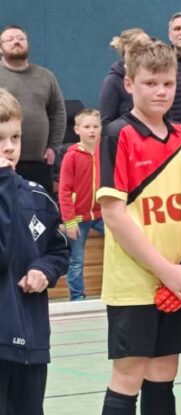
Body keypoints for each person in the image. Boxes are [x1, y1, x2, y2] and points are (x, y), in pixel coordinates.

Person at [97, 39, 181, 415]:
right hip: (135, 283)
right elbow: (114, 213)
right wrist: (165, 270)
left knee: (164, 377)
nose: (160, 91)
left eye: (167, 83)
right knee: (128, 376)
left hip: (179, 280)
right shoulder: (116, 134)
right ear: (130, 83)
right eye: (150, 83)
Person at [0, 88, 69, 415]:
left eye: (14, 137)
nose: (9, 148)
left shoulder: (39, 197)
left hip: (27, 336)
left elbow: (58, 250)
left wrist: (44, 270)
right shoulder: (11, 193)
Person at [0, 25, 66, 189]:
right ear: (1, 48)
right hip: (3, 161)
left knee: (39, 210)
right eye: (10, 39)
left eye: (21, 38)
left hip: (39, 163)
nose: (16, 41)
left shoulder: (46, 76)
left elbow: (58, 112)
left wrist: (53, 147)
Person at [58, 107, 103, 301]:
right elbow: (64, 191)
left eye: (95, 126)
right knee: (76, 261)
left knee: (124, 247)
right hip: (78, 218)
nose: (92, 130)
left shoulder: (106, 151)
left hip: (103, 215)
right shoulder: (72, 156)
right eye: (87, 127)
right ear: (77, 130)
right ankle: (77, 297)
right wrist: (69, 221)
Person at [99, 28, 150, 126]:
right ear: (125, 52)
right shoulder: (113, 81)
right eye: (135, 49)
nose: (140, 53)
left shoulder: (154, 78)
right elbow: (106, 123)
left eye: (147, 48)